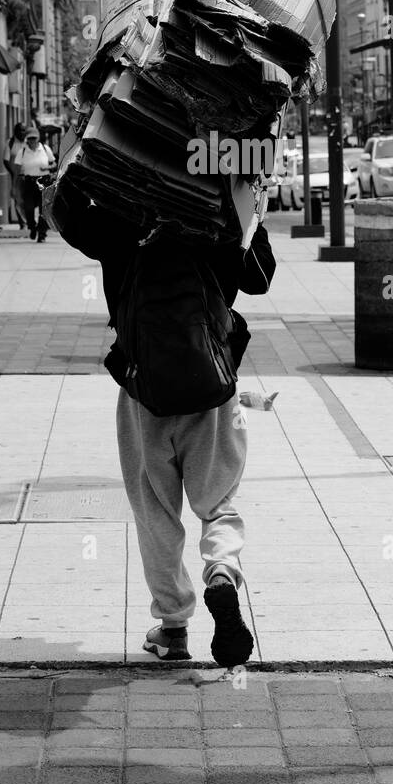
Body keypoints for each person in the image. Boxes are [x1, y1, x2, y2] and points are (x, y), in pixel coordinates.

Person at [76, 199, 275, 667]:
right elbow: (259, 280)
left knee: (156, 514)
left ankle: (173, 628)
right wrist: (252, 214)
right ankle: (222, 573)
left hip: (143, 392)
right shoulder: (224, 207)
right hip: (212, 390)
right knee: (217, 503)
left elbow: (72, 221)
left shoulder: (121, 208)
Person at [18, 127, 55, 241]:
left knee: (43, 209)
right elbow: (17, 169)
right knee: (28, 208)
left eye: (34, 138)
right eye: (30, 138)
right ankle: (32, 227)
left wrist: (47, 168)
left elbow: (54, 165)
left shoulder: (45, 148)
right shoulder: (23, 151)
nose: (32, 141)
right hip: (29, 182)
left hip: (43, 181)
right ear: (26, 139)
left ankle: (42, 233)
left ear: (38, 138)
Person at [3, 122, 27, 228]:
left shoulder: (29, 142)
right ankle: (22, 223)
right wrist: (12, 172)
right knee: (18, 199)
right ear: (15, 131)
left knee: (28, 199)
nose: (22, 132)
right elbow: (5, 160)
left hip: (29, 176)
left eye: (24, 130)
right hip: (16, 177)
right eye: (20, 130)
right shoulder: (10, 143)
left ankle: (30, 220)